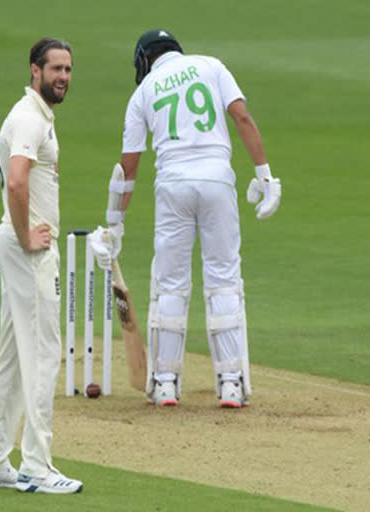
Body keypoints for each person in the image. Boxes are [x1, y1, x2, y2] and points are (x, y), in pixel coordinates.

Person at [91, 29, 281, 408]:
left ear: (145, 61)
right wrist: (265, 176)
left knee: (170, 283)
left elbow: (127, 168)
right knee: (224, 277)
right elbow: (241, 116)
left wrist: (115, 224)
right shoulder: (212, 66)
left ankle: (164, 383)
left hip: (173, 185)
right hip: (217, 181)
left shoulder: (143, 92)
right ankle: (230, 383)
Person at [0, 37, 82, 494]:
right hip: (27, 250)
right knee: (40, 355)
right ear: (35, 71)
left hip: (20, 247)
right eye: (56, 69)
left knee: (13, 355)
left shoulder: (38, 116)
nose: (63, 77)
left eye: (69, 70)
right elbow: (17, 180)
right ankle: (36, 466)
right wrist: (25, 234)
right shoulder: (28, 118)